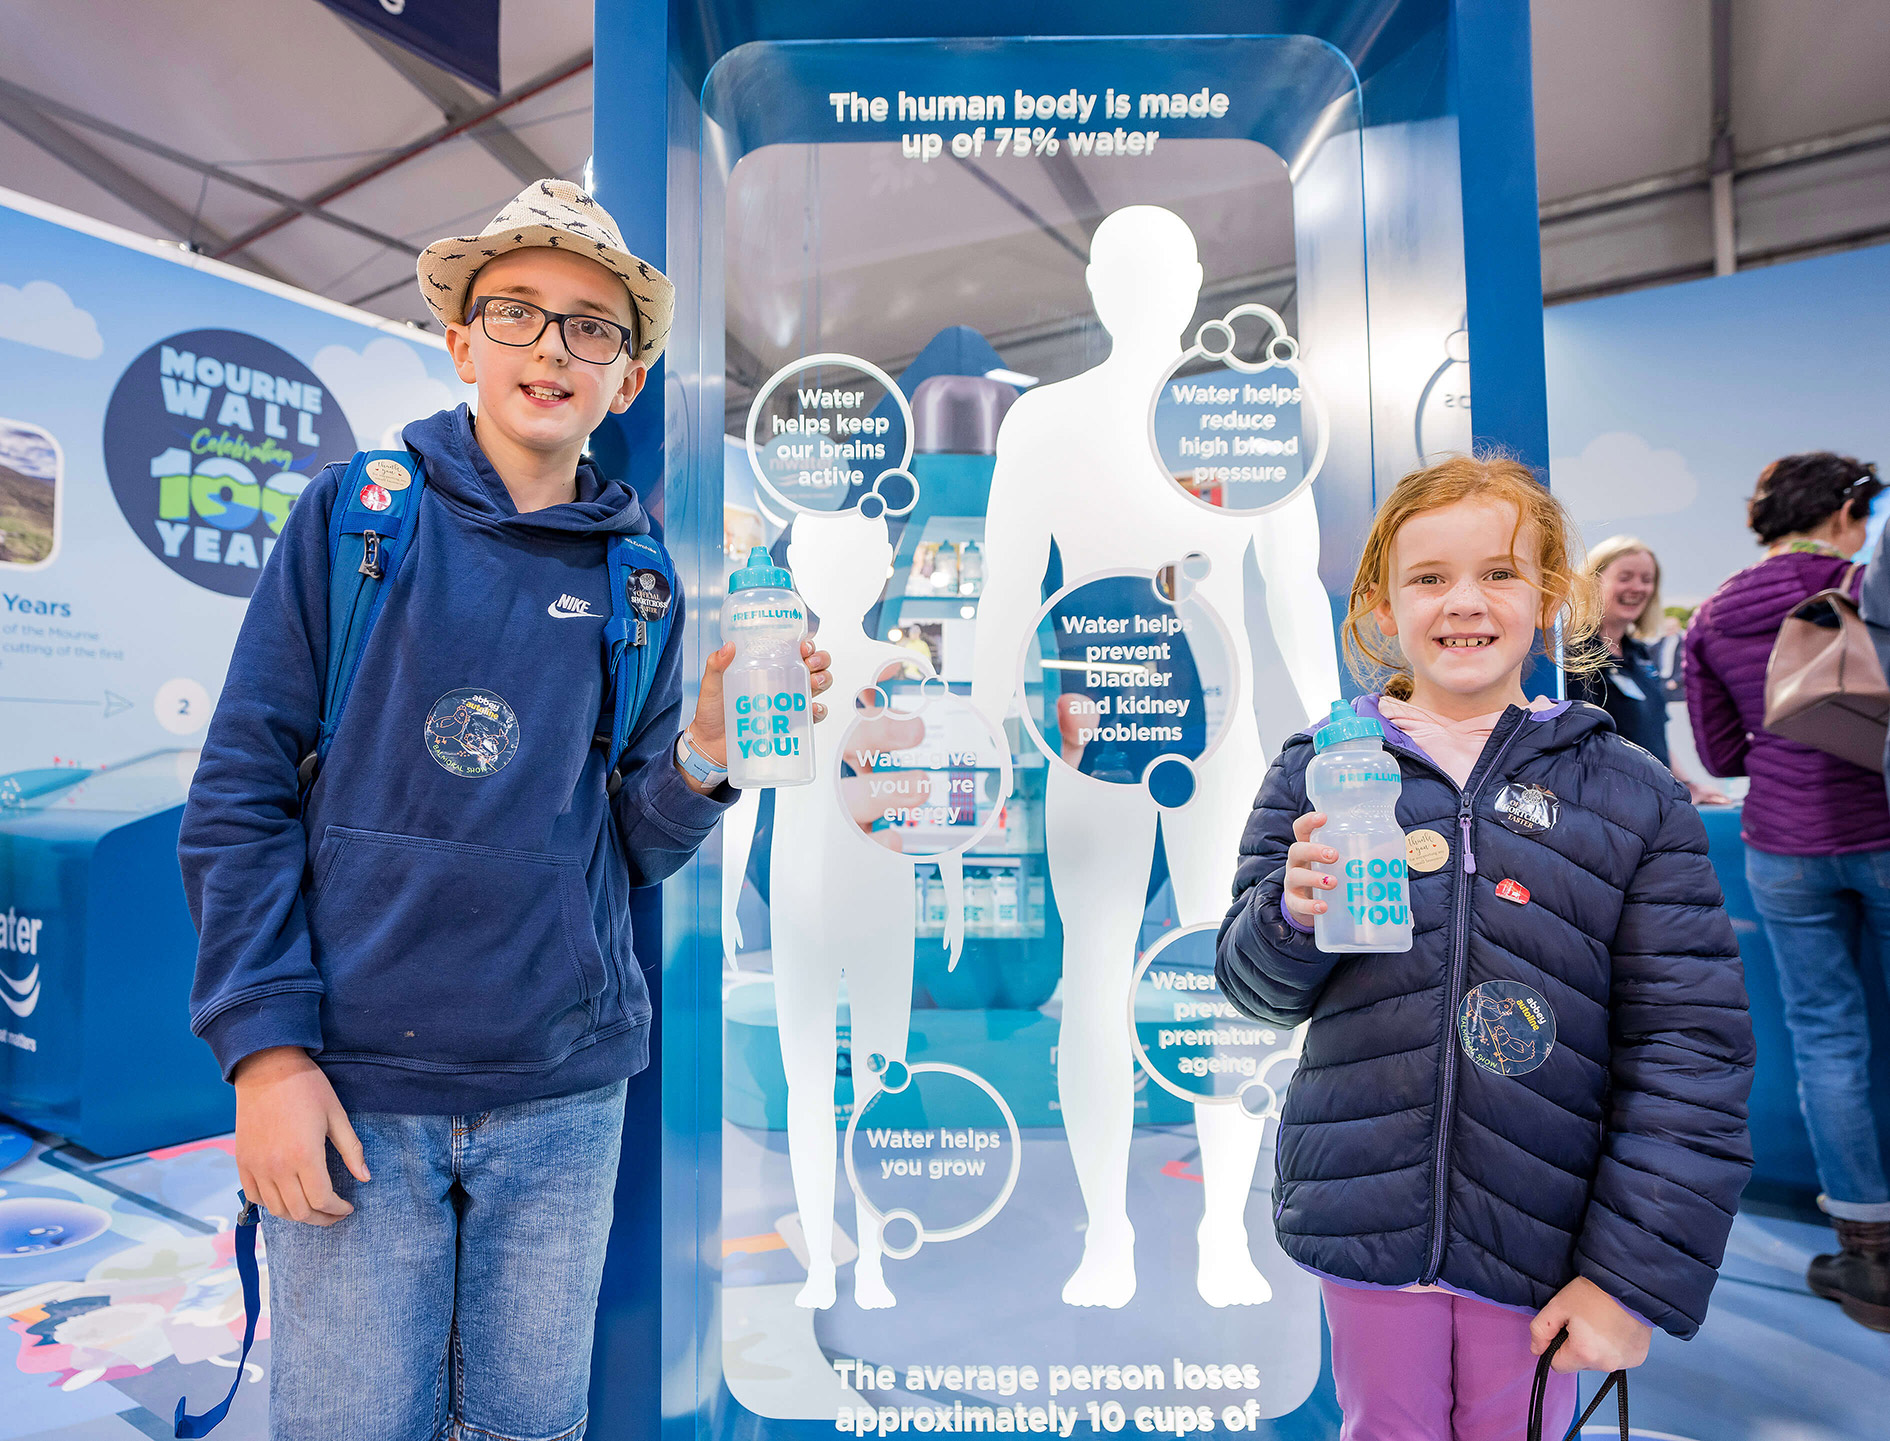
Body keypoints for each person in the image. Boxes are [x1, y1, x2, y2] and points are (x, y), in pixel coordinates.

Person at [177, 181, 833, 1438]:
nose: (552, 347)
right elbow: (241, 791)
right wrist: (266, 1054)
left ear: (626, 380)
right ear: (461, 340)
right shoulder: (359, 520)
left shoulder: (641, 586)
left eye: (592, 328)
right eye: (518, 313)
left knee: (531, 1429)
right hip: (357, 1087)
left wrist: (704, 754)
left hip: (561, 1098)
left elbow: (628, 846)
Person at [1217, 453, 1755, 1438]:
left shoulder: (1628, 792)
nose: (1464, 601)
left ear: (1552, 592)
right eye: (1429, 578)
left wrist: (1629, 1277)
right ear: (1382, 603)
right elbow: (1255, 991)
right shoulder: (1318, 768)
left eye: (1500, 572)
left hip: (1546, 1232)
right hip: (1368, 1214)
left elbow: (1690, 1051)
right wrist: (1287, 915)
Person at [1687, 450, 1890, 1333]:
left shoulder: (1715, 611)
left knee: (1825, 1036)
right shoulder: (1863, 585)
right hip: (1880, 822)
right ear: (1848, 508)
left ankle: (1866, 1252)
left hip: (1781, 843)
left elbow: (1722, 752)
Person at [1570, 535, 1727, 802]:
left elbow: (1654, 734)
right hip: (1610, 807)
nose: (1638, 588)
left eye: (1646, 579)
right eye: (1625, 577)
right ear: (1593, 582)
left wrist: (1687, 785)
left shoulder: (1639, 654)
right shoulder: (1575, 655)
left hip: (1654, 805)